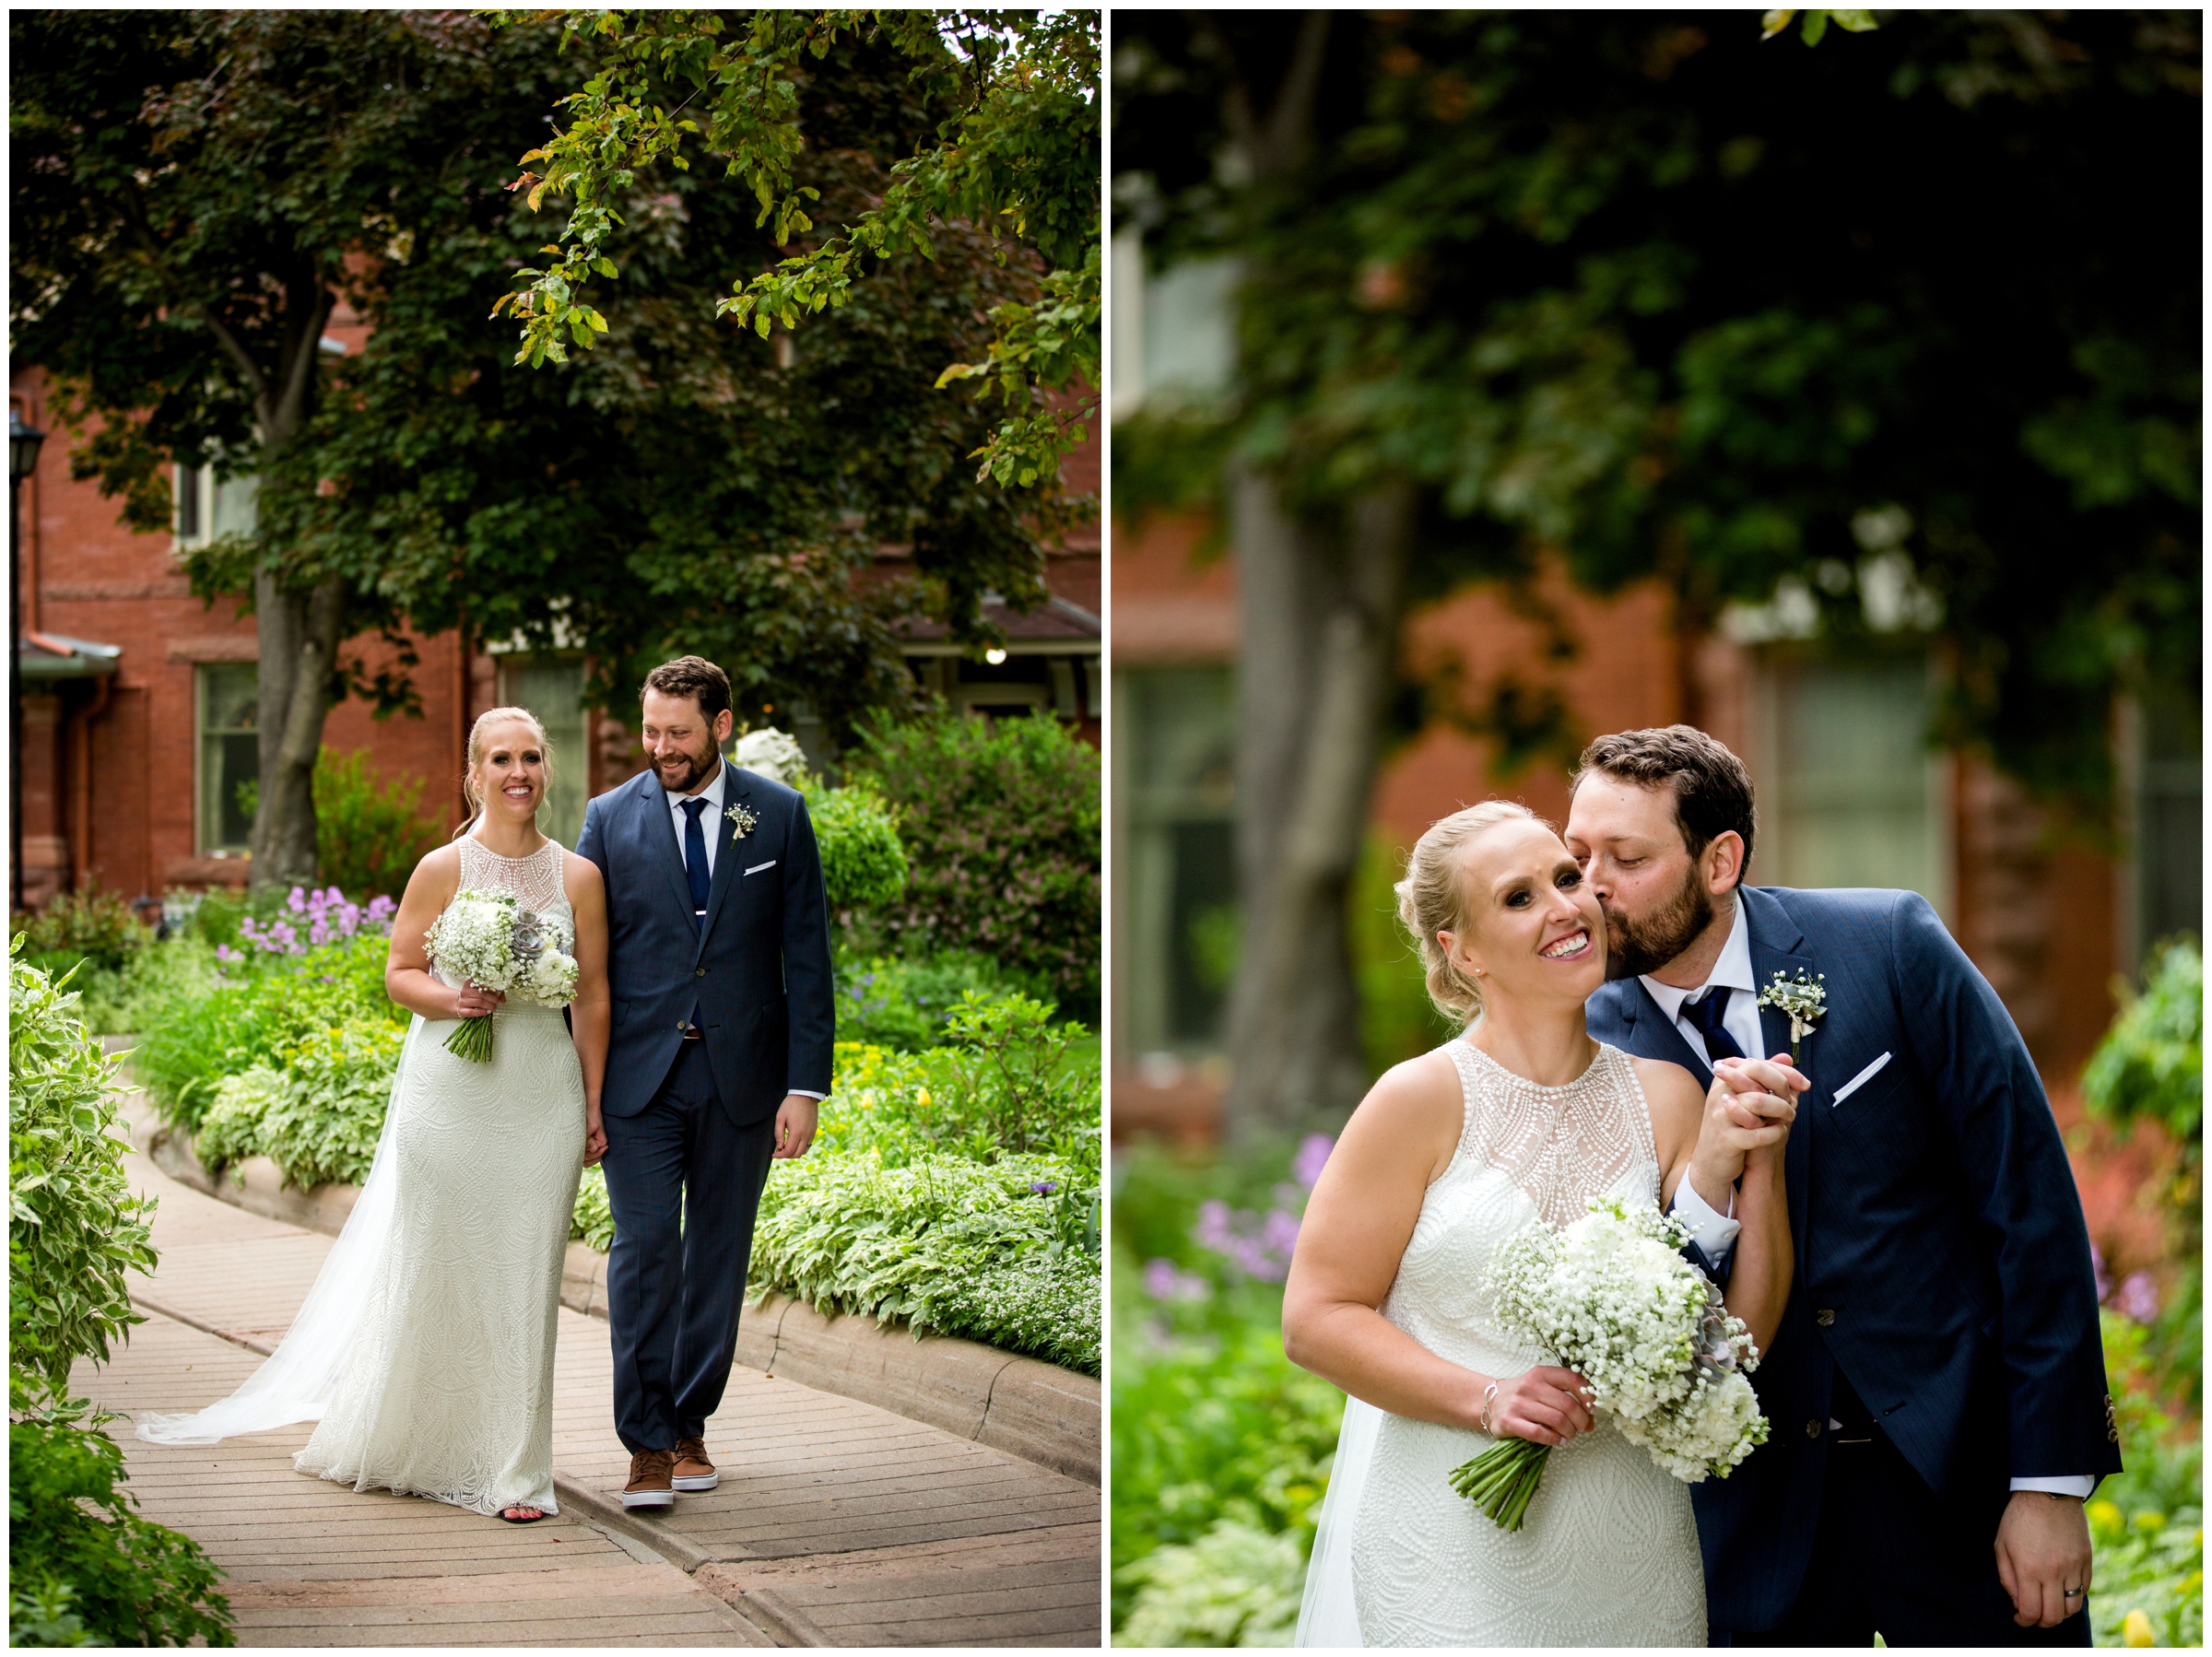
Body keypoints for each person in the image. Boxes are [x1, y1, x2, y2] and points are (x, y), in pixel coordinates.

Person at [1567, 724, 2118, 1646]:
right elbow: (1622, 1298)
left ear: (1720, 861)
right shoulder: (1583, 1042)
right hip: (1743, 1532)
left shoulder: (1890, 945)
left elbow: (2031, 1206)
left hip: (1959, 1492)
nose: (1591, 886)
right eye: (1577, 853)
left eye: (1627, 858)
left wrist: (2049, 1484)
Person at [1284, 799, 1801, 1645]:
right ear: (1463, 951)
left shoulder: (1666, 1096)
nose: (1566, 906)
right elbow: (1315, 1321)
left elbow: (1740, 1332)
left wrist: (1763, 1162)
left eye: (1566, 878)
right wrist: (1488, 1399)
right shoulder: (1417, 1101)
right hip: (1452, 1528)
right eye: (1519, 898)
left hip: (1632, 1539)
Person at [140, 708, 609, 1527]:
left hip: (542, 1093)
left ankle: (516, 1469)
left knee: (527, 1278)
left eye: (531, 756)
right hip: (451, 1094)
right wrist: (455, 997)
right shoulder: (441, 867)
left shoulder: (579, 878)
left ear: (547, 768)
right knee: (436, 1264)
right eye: (500, 758)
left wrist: (596, 1100)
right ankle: (414, 1443)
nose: (518, 772)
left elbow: (595, 995)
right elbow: (400, 973)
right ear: (473, 775)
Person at [574, 655, 834, 1510]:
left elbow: (808, 961)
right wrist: (579, 1090)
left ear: (721, 725)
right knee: (646, 1252)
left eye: (678, 732)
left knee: (718, 1259)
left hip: (743, 1083)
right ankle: (645, 1443)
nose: (662, 747)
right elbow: (581, 962)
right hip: (636, 1083)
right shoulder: (608, 820)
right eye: (651, 731)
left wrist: (806, 1087)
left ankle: (690, 1427)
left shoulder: (781, 816)